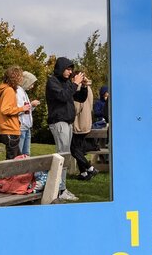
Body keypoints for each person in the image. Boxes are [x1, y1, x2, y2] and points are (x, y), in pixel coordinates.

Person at [46, 57, 88, 202]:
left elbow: (81, 98)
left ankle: (61, 188)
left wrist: (83, 86)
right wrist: (74, 83)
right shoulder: (52, 82)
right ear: (60, 68)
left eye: (71, 69)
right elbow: (63, 96)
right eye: (68, 69)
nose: (70, 72)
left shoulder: (67, 83)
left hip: (68, 122)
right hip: (59, 122)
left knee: (65, 155)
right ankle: (59, 189)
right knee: (62, 156)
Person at [0, 66, 31, 160]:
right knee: (12, 163)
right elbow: (5, 109)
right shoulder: (9, 90)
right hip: (10, 130)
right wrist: (22, 108)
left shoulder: (3, 91)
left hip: (6, 129)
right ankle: (7, 175)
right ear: (15, 77)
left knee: (17, 158)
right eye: (20, 76)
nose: (21, 79)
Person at [72, 73, 99, 181]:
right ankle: (83, 173)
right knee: (78, 148)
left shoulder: (79, 87)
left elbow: (77, 107)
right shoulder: (89, 88)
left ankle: (90, 168)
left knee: (74, 149)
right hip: (87, 121)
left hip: (79, 122)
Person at [16, 71, 40, 156]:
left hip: (27, 127)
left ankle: (26, 169)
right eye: (31, 83)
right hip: (21, 127)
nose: (32, 86)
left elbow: (26, 110)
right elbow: (18, 109)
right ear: (26, 81)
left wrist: (32, 106)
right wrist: (31, 104)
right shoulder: (18, 92)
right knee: (20, 154)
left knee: (26, 153)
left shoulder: (24, 92)